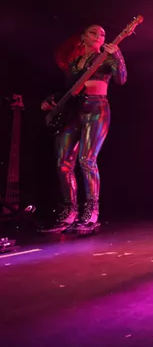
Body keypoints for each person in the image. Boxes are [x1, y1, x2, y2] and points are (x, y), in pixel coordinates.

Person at [38, 24, 127, 234]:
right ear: (83, 37)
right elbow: (69, 91)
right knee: (63, 162)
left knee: (87, 160)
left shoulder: (106, 57)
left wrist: (118, 56)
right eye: (93, 32)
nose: (99, 36)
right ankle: (69, 211)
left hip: (97, 109)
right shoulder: (73, 63)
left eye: (102, 34)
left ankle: (91, 211)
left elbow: (121, 79)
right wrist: (52, 101)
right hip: (73, 112)